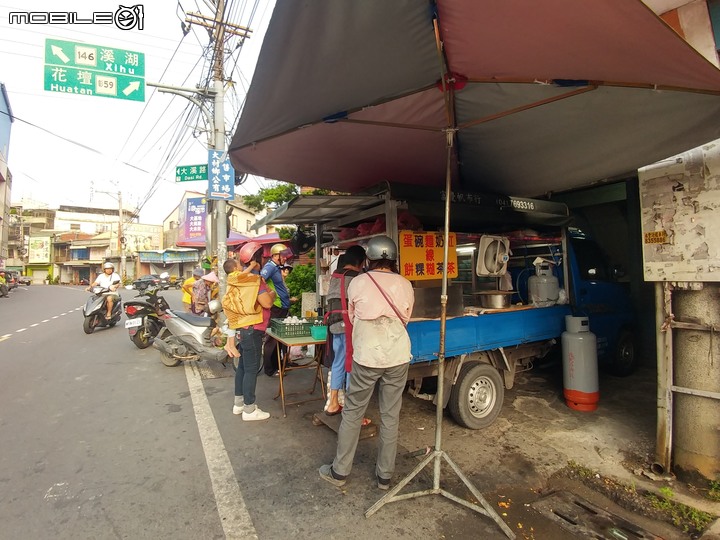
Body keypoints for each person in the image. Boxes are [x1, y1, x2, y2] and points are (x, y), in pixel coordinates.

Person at [319, 235, 415, 490]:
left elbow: (352, 315)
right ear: (393, 259)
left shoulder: (358, 283)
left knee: (352, 413)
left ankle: (339, 472)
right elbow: (406, 317)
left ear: (369, 259)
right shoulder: (406, 283)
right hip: (398, 355)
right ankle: (385, 477)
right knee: (390, 416)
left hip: (366, 356)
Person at [224, 241, 276, 421]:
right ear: (256, 258)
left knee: (244, 367)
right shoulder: (254, 280)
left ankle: (239, 404)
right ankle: (249, 409)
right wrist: (272, 294)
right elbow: (268, 302)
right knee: (252, 369)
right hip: (254, 328)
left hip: (243, 328)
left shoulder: (238, 280)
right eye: (262, 256)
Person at [324, 246, 366, 416]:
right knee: (352, 364)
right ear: (361, 262)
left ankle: (333, 402)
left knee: (338, 361)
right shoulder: (357, 277)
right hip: (349, 325)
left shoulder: (335, 276)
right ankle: (351, 410)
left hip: (333, 323)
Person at [261, 243, 291, 376]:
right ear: (275, 255)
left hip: (282, 307)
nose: (285, 258)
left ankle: (278, 365)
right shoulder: (270, 267)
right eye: (283, 256)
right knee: (272, 339)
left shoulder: (276, 267)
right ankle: (270, 369)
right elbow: (260, 280)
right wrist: (270, 295)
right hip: (276, 307)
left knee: (277, 338)